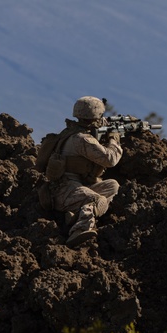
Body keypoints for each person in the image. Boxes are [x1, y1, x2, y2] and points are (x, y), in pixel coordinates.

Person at [49, 96, 123, 246]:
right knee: (98, 200)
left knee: (112, 185)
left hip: (74, 187)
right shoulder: (82, 139)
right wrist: (114, 140)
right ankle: (79, 230)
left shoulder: (72, 132)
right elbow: (110, 159)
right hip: (63, 190)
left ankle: (77, 214)